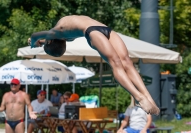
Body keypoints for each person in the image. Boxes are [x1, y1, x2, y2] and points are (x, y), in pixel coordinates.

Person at [28, 15, 159, 115]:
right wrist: (35, 42)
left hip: (100, 30)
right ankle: (140, 97)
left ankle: (148, 98)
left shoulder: (59, 34)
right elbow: (35, 35)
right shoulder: (56, 32)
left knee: (125, 62)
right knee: (118, 62)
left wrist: (38, 43)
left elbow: (41, 38)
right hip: (98, 30)